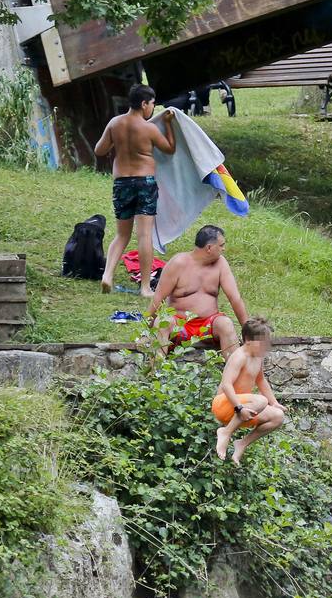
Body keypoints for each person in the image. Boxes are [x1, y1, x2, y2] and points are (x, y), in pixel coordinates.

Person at [96, 84, 176, 297]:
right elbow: (170, 148)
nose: (153, 107)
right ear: (144, 103)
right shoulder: (149, 128)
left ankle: (108, 275)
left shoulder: (115, 123)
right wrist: (167, 125)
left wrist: (118, 143)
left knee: (122, 234)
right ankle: (145, 287)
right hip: (145, 183)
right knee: (144, 235)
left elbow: (99, 150)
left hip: (122, 183)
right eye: (152, 103)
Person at [148, 224, 248, 357]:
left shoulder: (221, 264)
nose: (224, 249)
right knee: (162, 321)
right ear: (209, 248)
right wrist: (145, 332)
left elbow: (235, 298)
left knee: (226, 324)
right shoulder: (178, 263)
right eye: (221, 245)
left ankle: (237, 376)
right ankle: (156, 374)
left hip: (208, 325)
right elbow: (158, 298)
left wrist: (248, 330)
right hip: (179, 325)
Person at [212, 317, 285, 463]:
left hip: (243, 409)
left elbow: (260, 380)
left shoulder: (257, 357)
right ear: (247, 339)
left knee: (278, 416)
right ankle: (225, 433)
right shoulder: (239, 356)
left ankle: (241, 444)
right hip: (224, 405)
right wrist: (239, 408)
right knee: (261, 400)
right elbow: (226, 385)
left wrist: (275, 402)